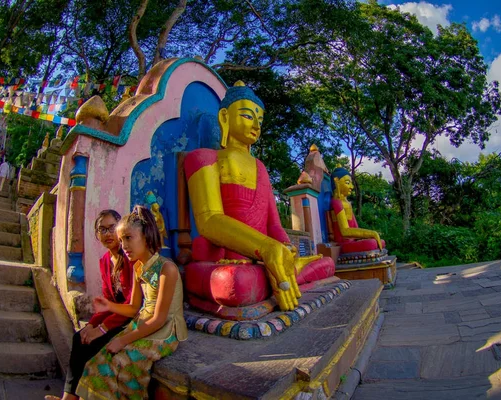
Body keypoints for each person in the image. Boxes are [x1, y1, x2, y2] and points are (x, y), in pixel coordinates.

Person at [183, 81, 334, 312]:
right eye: (247, 116)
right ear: (224, 118)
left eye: (260, 120)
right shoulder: (204, 158)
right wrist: (265, 248)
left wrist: (284, 247)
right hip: (230, 260)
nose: (256, 125)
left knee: (327, 263)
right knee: (236, 283)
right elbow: (209, 220)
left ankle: (281, 273)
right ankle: (280, 276)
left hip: (265, 259)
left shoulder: (261, 168)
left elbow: (273, 223)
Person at [75, 205, 187, 400]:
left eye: (128, 238)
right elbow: (134, 308)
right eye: (121, 240)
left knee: (121, 363)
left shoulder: (166, 269)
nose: (124, 246)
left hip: (165, 331)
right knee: (96, 362)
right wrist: (110, 306)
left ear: (146, 236)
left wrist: (122, 340)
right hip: (142, 322)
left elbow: (160, 319)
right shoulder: (138, 268)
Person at [45, 210, 133, 400]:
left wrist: (101, 329)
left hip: (132, 318)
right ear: (96, 235)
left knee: (93, 342)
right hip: (115, 315)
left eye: (111, 228)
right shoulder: (104, 261)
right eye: (102, 229)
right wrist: (92, 324)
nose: (107, 234)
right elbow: (108, 301)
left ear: (120, 229)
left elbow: (131, 304)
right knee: (80, 337)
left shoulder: (129, 257)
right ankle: (68, 396)